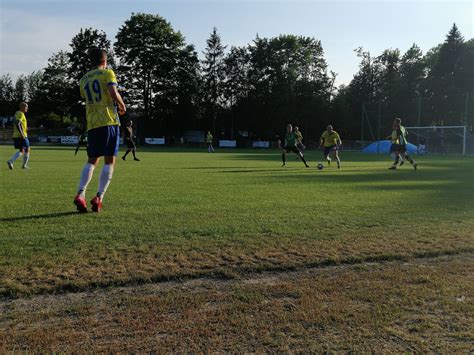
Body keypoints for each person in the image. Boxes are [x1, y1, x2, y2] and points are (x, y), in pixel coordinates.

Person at [73, 48, 126, 213]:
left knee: (92, 160)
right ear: (105, 61)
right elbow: (112, 91)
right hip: (109, 121)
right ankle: (99, 197)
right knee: (109, 161)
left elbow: (86, 97)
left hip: (92, 124)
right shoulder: (108, 73)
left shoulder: (83, 80)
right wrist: (122, 104)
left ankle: (80, 194)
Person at [7, 102, 30, 170]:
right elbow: (18, 123)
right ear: (22, 107)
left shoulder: (17, 113)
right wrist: (22, 133)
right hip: (21, 136)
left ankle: (11, 161)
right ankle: (24, 165)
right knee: (27, 149)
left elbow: (19, 123)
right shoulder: (21, 113)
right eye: (26, 107)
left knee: (22, 150)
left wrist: (25, 128)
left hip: (16, 135)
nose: (27, 108)